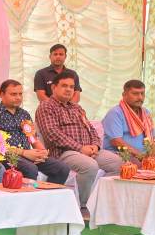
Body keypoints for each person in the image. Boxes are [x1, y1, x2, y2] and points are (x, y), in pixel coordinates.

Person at [35, 71, 121, 212]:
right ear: (54, 87)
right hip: (63, 152)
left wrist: (95, 146)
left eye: (71, 87)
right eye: (64, 86)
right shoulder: (46, 106)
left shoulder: (77, 108)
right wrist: (80, 148)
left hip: (89, 150)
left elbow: (91, 130)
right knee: (90, 166)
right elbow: (52, 134)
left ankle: (100, 202)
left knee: (117, 163)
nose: (69, 89)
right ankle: (81, 206)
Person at [0, 80, 70, 184]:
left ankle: (49, 194)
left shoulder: (24, 114)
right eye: (13, 94)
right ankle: (27, 194)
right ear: (2, 94)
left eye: (20, 94)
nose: (18, 97)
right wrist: (23, 153)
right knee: (30, 168)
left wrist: (41, 151)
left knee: (62, 168)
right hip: (6, 156)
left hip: (28, 155)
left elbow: (32, 137)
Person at [102, 79, 155, 166]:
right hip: (121, 154)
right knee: (138, 164)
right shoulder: (115, 113)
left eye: (142, 93)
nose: (140, 97)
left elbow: (153, 138)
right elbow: (116, 141)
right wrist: (141, 156)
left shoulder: (146, 113)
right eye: (135, 94)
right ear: (124, 95)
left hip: (143, 154)